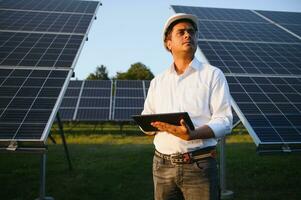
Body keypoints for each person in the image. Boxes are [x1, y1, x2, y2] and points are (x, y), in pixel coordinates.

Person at [141, 13, 233, 200]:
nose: (188, 35)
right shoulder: (158, 81)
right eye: (181, 32)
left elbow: (225, 120)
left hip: (199, 164)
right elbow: (147, 115)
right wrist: (150, 127)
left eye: (191, 32)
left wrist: (192, 135)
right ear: (168, 43)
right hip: (161, 165)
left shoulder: (213, 75)